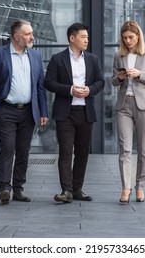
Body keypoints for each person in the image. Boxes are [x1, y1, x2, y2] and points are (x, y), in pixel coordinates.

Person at [0, 19, 49, 205]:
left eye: (31, 33)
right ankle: (5, 188)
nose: (32, 37)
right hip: (6, 109)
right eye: (28, 34)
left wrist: (43, 112)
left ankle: (19, 188)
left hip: (29, 111)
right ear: (16, 36)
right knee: (7, 148)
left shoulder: (35, 56)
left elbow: (40, 87)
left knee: (23, 150)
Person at [45, 22, 105, 203]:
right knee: (65, 152)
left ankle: (77, 189)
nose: (87, 40)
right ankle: (66, 191)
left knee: (82, 153)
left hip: (86, 112)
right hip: (66, 113)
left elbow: (100, 82)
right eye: (83, 37)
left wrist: (90, 90)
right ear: (72, 38)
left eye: (87, 37)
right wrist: (70, 89)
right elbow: (48, 82)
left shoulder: (92, 59)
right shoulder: (57, 59)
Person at [111, 21, 145, 203]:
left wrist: (139, 74)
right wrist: (120, 77)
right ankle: (126, 188)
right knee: (124, 149)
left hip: (144, 105)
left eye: (131, 37)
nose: (128, 41)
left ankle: (140, 186)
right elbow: (113, 81)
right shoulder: (118, 55)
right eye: (125, 38)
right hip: (124, 105)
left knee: (143, 149)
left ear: (138, 36)